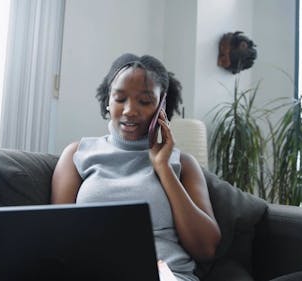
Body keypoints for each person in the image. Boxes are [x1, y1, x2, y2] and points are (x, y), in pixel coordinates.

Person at [51, 53, 221, 281]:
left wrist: (163, 167)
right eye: (120, 98)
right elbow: (58, 239)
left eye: (145, 101)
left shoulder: (183, 164)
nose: (130, 110)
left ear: (162, 106)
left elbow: (206, 249)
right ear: (107, 101)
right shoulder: (77, 155)